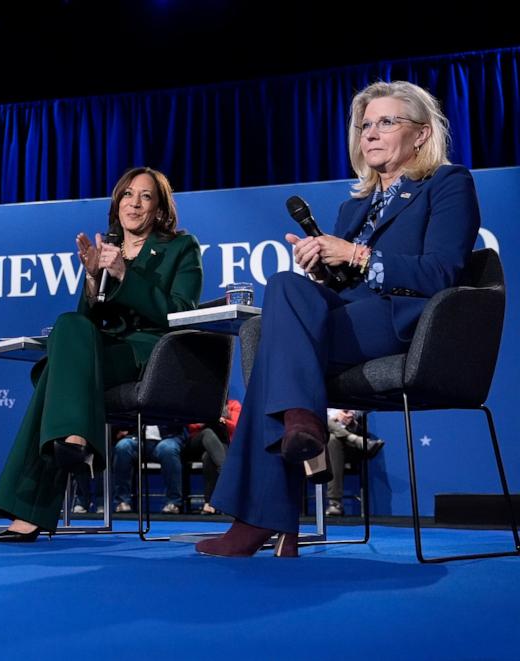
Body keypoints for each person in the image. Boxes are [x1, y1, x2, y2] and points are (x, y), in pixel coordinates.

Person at [197, 81, 481, 557]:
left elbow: (441, 272)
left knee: (274, 352)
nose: (370, 133)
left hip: (405, 324)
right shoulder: (356, 205)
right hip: (352, 321)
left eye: (386, 122)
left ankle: (261, 513)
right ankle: (302, 423)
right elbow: (342, 285)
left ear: (421, 134)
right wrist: (324, 269)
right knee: (288, 288)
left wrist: (355, 253)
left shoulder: (447, 184)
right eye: (365, 124)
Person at [0, 166, 203, 541]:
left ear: (159, 209)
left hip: (150, 355)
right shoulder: (108, 250)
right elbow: (85, 324)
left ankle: (30, 506)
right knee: (68, 323)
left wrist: (125, 276)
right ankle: (74, 440)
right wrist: (91, 280)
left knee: (55, 378)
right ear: (117, 202)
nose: (134, 203)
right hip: (106, 351)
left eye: (146, 196)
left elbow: (178, 313)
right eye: (127, 195)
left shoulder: (181, 248)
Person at [113, 425, 187, 514]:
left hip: (168, 437)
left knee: (168, 449)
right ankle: (122, 501)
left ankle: (173, 502)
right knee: (123, 446)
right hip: (137, 439)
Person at [325, 408, 384, 516]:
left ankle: (335, 503)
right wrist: (335, 415)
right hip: (322, 443)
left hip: (348, 441)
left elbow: (361, 408)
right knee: (322, 421)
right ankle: (358, 441)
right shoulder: (319, 394)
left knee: (333, 439)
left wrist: (350, 414)